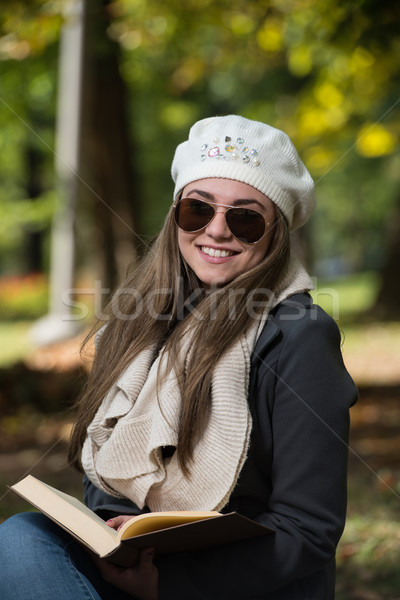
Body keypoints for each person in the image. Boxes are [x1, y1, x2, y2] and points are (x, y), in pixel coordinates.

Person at [0, 115, 358, 599]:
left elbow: (307, 528)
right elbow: (108, 468)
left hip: (232, 586)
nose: (217, 230)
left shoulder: (301, 336)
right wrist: (119, 530)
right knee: (21, 536)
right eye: (198, 209)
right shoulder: (137, 324)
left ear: (276, 233)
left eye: (245, 217)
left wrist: (167, 583)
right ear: (176, 215)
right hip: (137, 568)